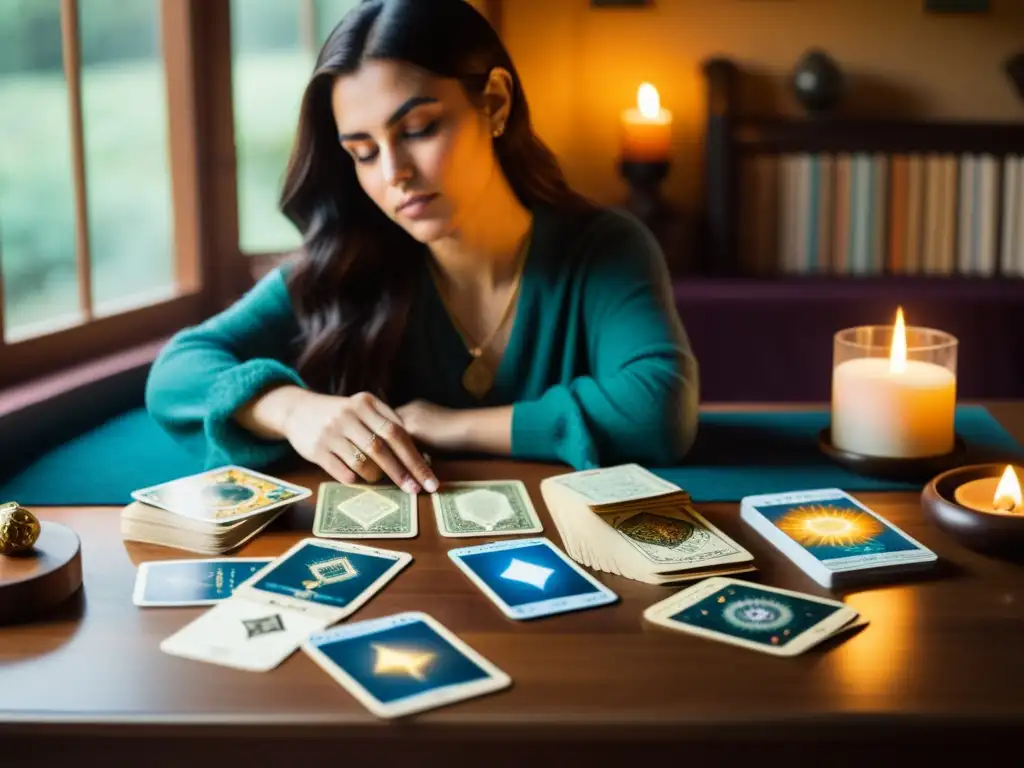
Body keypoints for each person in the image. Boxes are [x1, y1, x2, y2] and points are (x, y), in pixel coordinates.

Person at [145, 0, 699, 496]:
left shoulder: (606, 249)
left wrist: (446, 423)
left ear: (497, 103)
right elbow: (176, 373)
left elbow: (658, 411)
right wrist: (293, 410)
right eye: (363, 152)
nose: (395, 174)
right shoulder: (348, 262)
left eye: (418, 129)